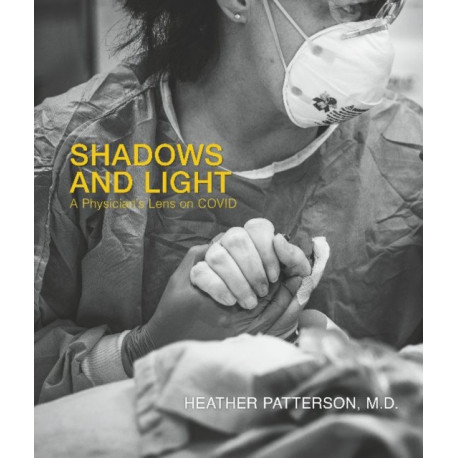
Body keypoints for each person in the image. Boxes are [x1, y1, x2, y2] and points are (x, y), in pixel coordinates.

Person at [34, 0, 422, 404]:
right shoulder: (67, 152)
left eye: (384, 8)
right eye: (346, 6)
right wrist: (139, 351)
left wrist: (353, 371)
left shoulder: (415, 158)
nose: (371, 36)